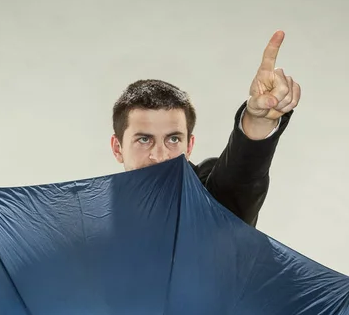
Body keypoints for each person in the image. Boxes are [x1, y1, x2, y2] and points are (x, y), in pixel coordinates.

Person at [110, 30, 301, 227]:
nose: (159, 157)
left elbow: (237, 186)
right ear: (118, 148)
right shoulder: (91, 218)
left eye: (173, 139)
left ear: (189, 146)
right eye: (144, 139)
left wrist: (257, 121)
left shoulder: (209, 202)